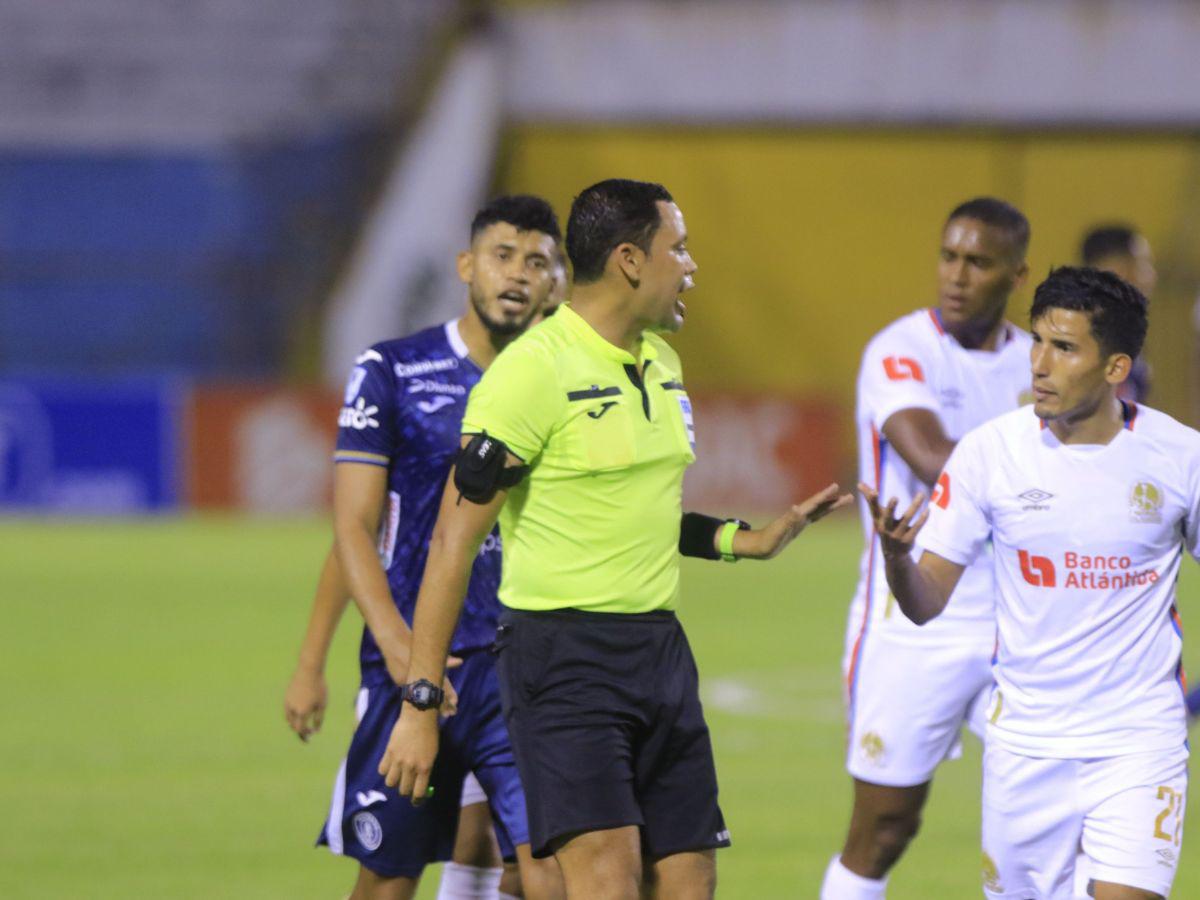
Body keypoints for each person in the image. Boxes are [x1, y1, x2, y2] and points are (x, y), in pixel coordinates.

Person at [377, 178, 852, 899]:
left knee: (689, 884)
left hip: (659, 653)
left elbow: (637, 510)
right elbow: (452, 542)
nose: (690, 266)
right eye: (679, 248)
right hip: (563, 662)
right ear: (631, 260)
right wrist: (418, 704)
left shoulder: (661, 362)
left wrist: (740, 542)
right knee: (607, 884)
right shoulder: (529, 374)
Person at [864, 266, 1197, 900]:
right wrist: (899, 561)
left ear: (1115, 367)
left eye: (1065, 348)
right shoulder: (990, 453)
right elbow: (926, 602)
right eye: (1037, 341)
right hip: (1025, 744)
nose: (1039, 364)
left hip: (1138, 741)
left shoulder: (1181, 459)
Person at [292, 194, 567, 900]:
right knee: (389, 879)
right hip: (413, 665)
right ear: (467, 266)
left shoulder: (562, 377)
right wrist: (387, 649)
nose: (517, 275)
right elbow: (354, 528)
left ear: (555, 280)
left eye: (537, 262)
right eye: (503, 256)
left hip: (521, 666)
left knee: (548, 869)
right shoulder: (392, 369)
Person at [823, 197, 1032, 899]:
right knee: (883, 828)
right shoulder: (900, 349)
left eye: (979, 261)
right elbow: (929, 453)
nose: (958, 274)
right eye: (949, 256)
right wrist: (1047, 478)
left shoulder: (1038, 362)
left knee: (1032, 827)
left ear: (1017, 273)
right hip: (911, 617)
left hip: (1018, 625)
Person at [1080, 224, 1157, 403]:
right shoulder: (1078, 339)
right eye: (1143, 266)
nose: (1152, 276)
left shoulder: (1128, 336)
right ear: (1114, 269)